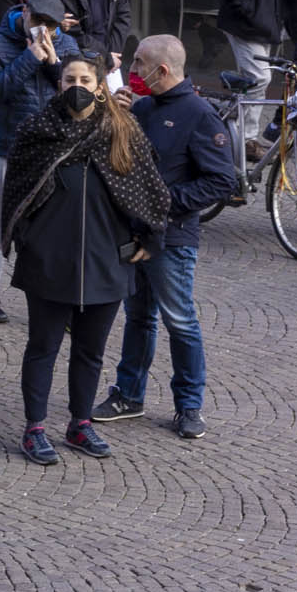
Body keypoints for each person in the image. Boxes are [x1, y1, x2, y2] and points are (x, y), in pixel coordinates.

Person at [4, 55, 172, 465]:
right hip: (49, 260)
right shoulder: (37, 131)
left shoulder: (122, 131)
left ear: (99, 87)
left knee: (91, 350)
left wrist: (151, 237)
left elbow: (149, 188)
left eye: (85, 79)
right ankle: (34, 428)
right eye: (69, 79)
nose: (77, 85)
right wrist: (28, 239)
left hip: (106, 260)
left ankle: (80, 423)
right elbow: (16, 193)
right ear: (59, 84)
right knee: (42, 346)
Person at [94, 35, 235, 439]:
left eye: (139, 63)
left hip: (172, 239)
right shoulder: (142, 107)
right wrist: (115, 117)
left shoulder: (200, 115)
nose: (132, 70)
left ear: (162, 70)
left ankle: (189, 406)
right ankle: (128, 395)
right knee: (139, 317)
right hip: (136, 233)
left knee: (180, 321)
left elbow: (221, 181)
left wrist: (164, 203)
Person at [0, 0, 81, 326]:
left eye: (51, 25)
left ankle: (53, 298)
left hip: (52, 150)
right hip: (7, 147)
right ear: (24, 12)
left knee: (52, 229)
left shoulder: (67, 44)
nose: (44, 30)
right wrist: (29, 58)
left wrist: (54, 64)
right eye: (38, 22)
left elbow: (76, 97)